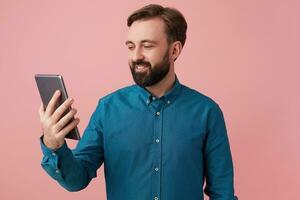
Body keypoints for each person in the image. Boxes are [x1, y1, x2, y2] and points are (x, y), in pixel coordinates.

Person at [38, 4, 238, 200]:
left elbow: (222, 193)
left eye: (148, 46)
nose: (136, 56)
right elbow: (77, 179)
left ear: (174, 50)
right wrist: (54, 146)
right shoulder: (108, 109)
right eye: (131, 46)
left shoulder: (207, 112)